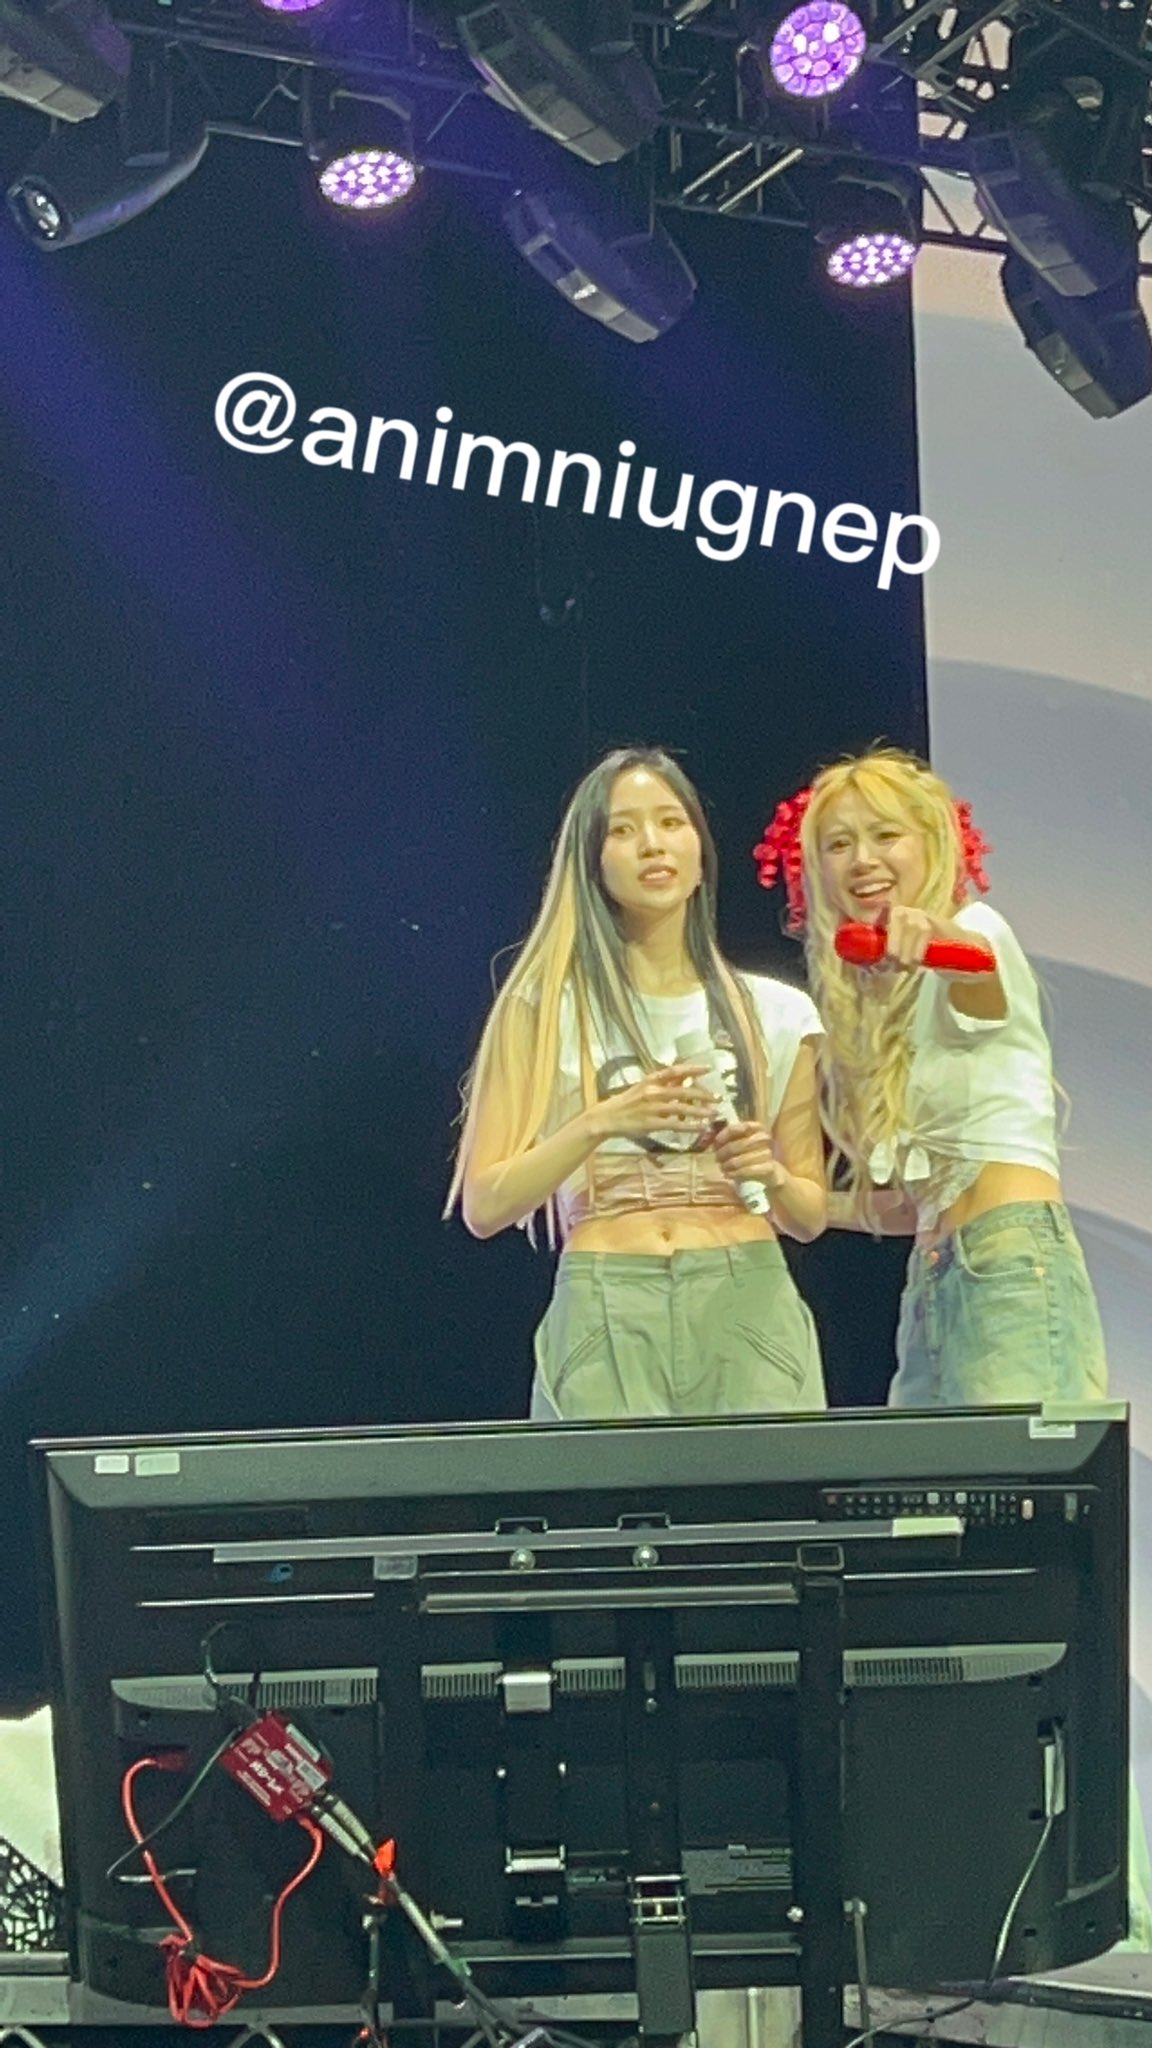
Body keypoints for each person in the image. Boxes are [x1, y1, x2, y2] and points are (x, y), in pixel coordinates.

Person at [446, 746, 828, 1420]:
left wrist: (766, 1172)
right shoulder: (543, 1009)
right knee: (606, 1490)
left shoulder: (778, 1012)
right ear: (592, 860)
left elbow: (809, 1215)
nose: (653, 844)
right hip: (606, 1299)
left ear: (700, 850)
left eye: (671, 822)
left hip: (746, 1298)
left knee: (765, 1491)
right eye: (623, 830)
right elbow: (484, 1205)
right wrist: (601, 1121)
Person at [754, 747, 1108, 1407]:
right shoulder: (883, 993)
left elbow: (979, 977)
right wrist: (788, 1196)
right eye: (839, 844)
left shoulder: (974, 928)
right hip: (934, 1273)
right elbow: (921, 1202)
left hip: (1007, 1260)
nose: (863, 860)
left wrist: (936, 938)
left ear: (933, 842)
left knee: (1015, 1466)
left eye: (886, 835)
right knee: (932, 1469)